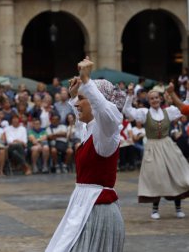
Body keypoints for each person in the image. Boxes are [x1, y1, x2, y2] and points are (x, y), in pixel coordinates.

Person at [46, 58, 125, 252]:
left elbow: (107, 113)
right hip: (83, 205)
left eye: (82, 99)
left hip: (97, 210)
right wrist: (76, 94)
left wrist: (88, 82)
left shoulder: (107, 134)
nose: (77, 104)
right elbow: (85, 116)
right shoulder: (89, 129)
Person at [123, 83, 189, 219]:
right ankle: (154, 209)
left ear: (160, 99)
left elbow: (185, 107)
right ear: (148, 100)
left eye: (156, 98)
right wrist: (129, 95)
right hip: (153, 147)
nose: (154, 100)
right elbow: (127, 110)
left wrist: (186, 90)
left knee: (175, 174)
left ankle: (178, 208)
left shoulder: (168, 111)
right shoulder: (144, 113)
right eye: (151, 98)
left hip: (167, 145)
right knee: (156, 177)